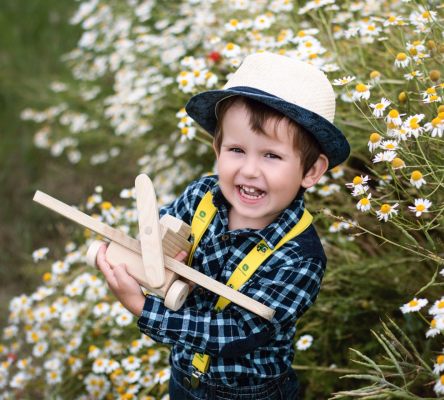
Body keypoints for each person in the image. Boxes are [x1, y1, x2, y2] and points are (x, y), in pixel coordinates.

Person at [95, 51, 350, 399]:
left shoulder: (300, 257)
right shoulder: (201, 196)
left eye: (271, 155)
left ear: (311, 171)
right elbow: (158, 233)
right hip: (184, 377)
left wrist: (143, 308)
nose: (249, 170)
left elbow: (239, 331)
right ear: (217, 148)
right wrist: (152, 256)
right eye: (236, 150)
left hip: (251, 393)